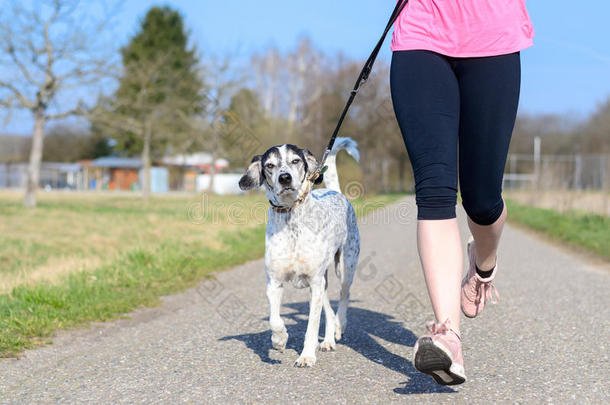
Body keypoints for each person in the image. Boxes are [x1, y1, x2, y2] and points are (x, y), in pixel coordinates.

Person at [389, 0, 534, 385]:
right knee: (434, 191)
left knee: (482, 200)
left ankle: (483, 263)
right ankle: (448, 336)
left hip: (494, 40)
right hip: (420, 36)